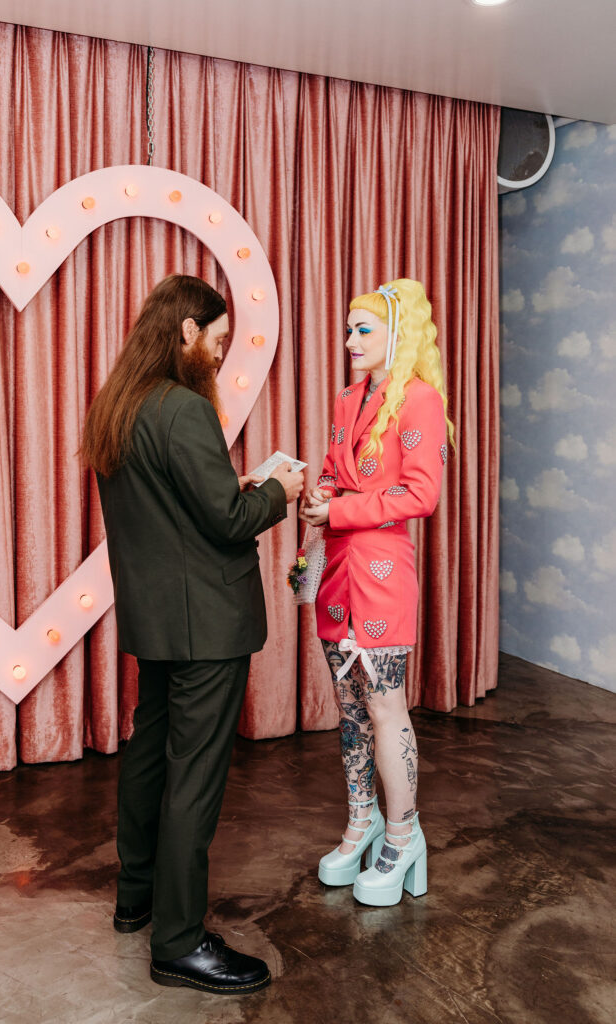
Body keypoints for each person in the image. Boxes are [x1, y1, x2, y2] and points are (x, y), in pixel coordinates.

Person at [80, 274, 303, 993]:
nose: (220, 350)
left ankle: (137, 899)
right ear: (186, 331)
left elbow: (174, 508)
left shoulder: (119, 405)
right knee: (194, 779)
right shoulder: (183, 409)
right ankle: (178, 943)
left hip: (156, 618)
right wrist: (278, 493)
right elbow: (227, 522)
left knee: (151, 757)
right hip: (206, 622)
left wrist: (233, 491)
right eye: (216, 338)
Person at [299, 279, 453, 907]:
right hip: (336, 571)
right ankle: (361, 822)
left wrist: (338, 509)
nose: (349, 341)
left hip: (384, 576)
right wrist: (320, 495)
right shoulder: (348, 398)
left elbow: (421, 494)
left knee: (386, 707)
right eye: (348, 330)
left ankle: (403, 834)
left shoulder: (420, 400)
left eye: (362, 330)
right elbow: (336, 472)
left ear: (397, 334)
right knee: (350, 708)